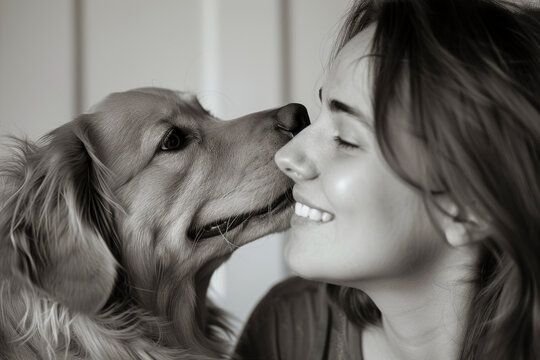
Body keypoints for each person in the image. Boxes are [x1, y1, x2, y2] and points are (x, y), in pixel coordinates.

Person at [234, 1, 540, 359]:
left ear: (470, 208)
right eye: (320, 113)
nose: (286, 157)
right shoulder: (286, 329)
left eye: (346, 139)